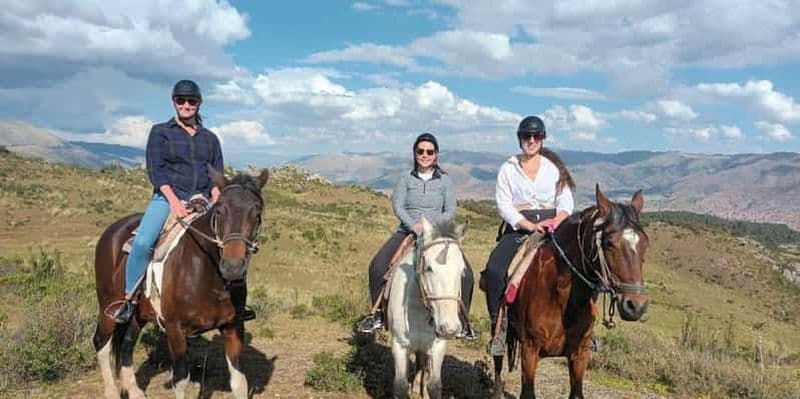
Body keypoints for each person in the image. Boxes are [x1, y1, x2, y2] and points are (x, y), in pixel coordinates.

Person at [111, 79, 240, 323]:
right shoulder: (161, 132)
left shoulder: (210, 138)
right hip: (168, 198)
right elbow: (157, 171)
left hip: (203, 199)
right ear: (174, 102)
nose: (186, 105)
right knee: (143, 243)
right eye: (181, 100)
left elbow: (216, 175)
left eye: (191, 101)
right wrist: (175, 203)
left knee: (231, 242)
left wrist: (216, 199)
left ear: (199, 104)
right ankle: (129, 300)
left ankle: (234, 302)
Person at [357, 133, 477, 339]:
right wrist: (414, 225)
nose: (424, 155)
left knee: (466, 274)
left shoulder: (445, 181)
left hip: (438, 234)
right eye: (420, 151)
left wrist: (431, 226)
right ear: (415, 153)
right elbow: (398, 205)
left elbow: (450, 211)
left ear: (436, 155)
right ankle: (378, 314)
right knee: (377, 266)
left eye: (429, 152)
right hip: (408, 231)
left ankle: (463, 320)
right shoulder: (406, 178)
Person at [481, 115, 575, 331]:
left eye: (536, 136)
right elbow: (504, 204)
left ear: (543, 139)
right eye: (526, 136)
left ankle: (584, 328)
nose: (531, 140)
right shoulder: (508, 168)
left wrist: (557, 220)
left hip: (555, 226)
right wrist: (529, 225)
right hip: (520, 228)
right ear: (520, 138)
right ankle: (499, 327)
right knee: (495, 270)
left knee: (583, 266)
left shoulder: (554, 168)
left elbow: (566, 200)